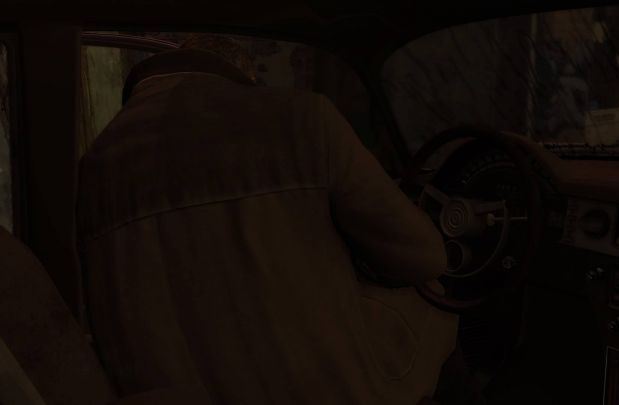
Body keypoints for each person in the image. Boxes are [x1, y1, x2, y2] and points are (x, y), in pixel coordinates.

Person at [77, 34, 459, 405]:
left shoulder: (97, 163)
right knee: (436, 294)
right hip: (323, 393)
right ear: (248, 77)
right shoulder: (299, 117)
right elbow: (423, 258)